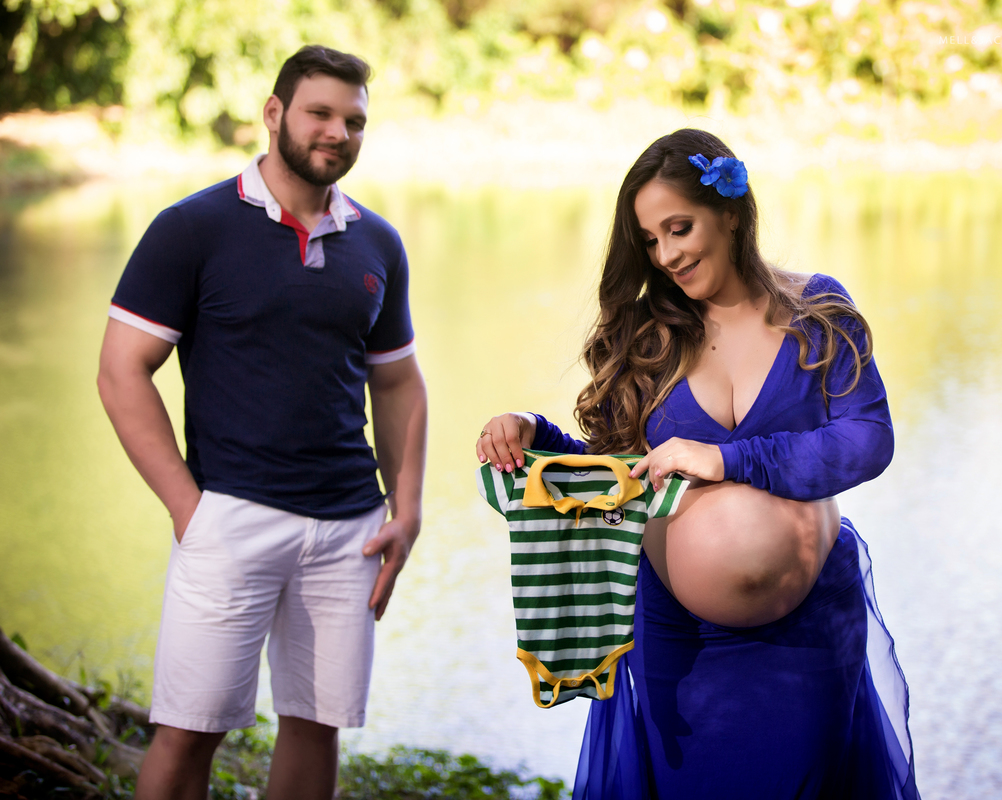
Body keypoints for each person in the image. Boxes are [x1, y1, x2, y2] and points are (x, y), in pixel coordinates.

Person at [476, 129, 919, 799]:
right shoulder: (647, 336)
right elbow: (619, 473)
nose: (667, 254)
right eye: (651, 240)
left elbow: (868, 440)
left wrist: (728, 459)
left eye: (679, 228)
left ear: (730, 212)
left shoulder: (816, 313)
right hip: (678, 644)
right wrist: (532, 433)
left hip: (809, 639)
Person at [97, 45, 427, 800]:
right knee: (189, 730)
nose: (338, 132)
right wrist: (188, 508)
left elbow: (398, 382)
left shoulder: (378, 242)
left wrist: (405, 510)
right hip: (230, 517)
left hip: (349, 528)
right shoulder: (193, 227)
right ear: (274, 113)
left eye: (355, 121)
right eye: (320, 113)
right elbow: (121, 371)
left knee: (315, 725)